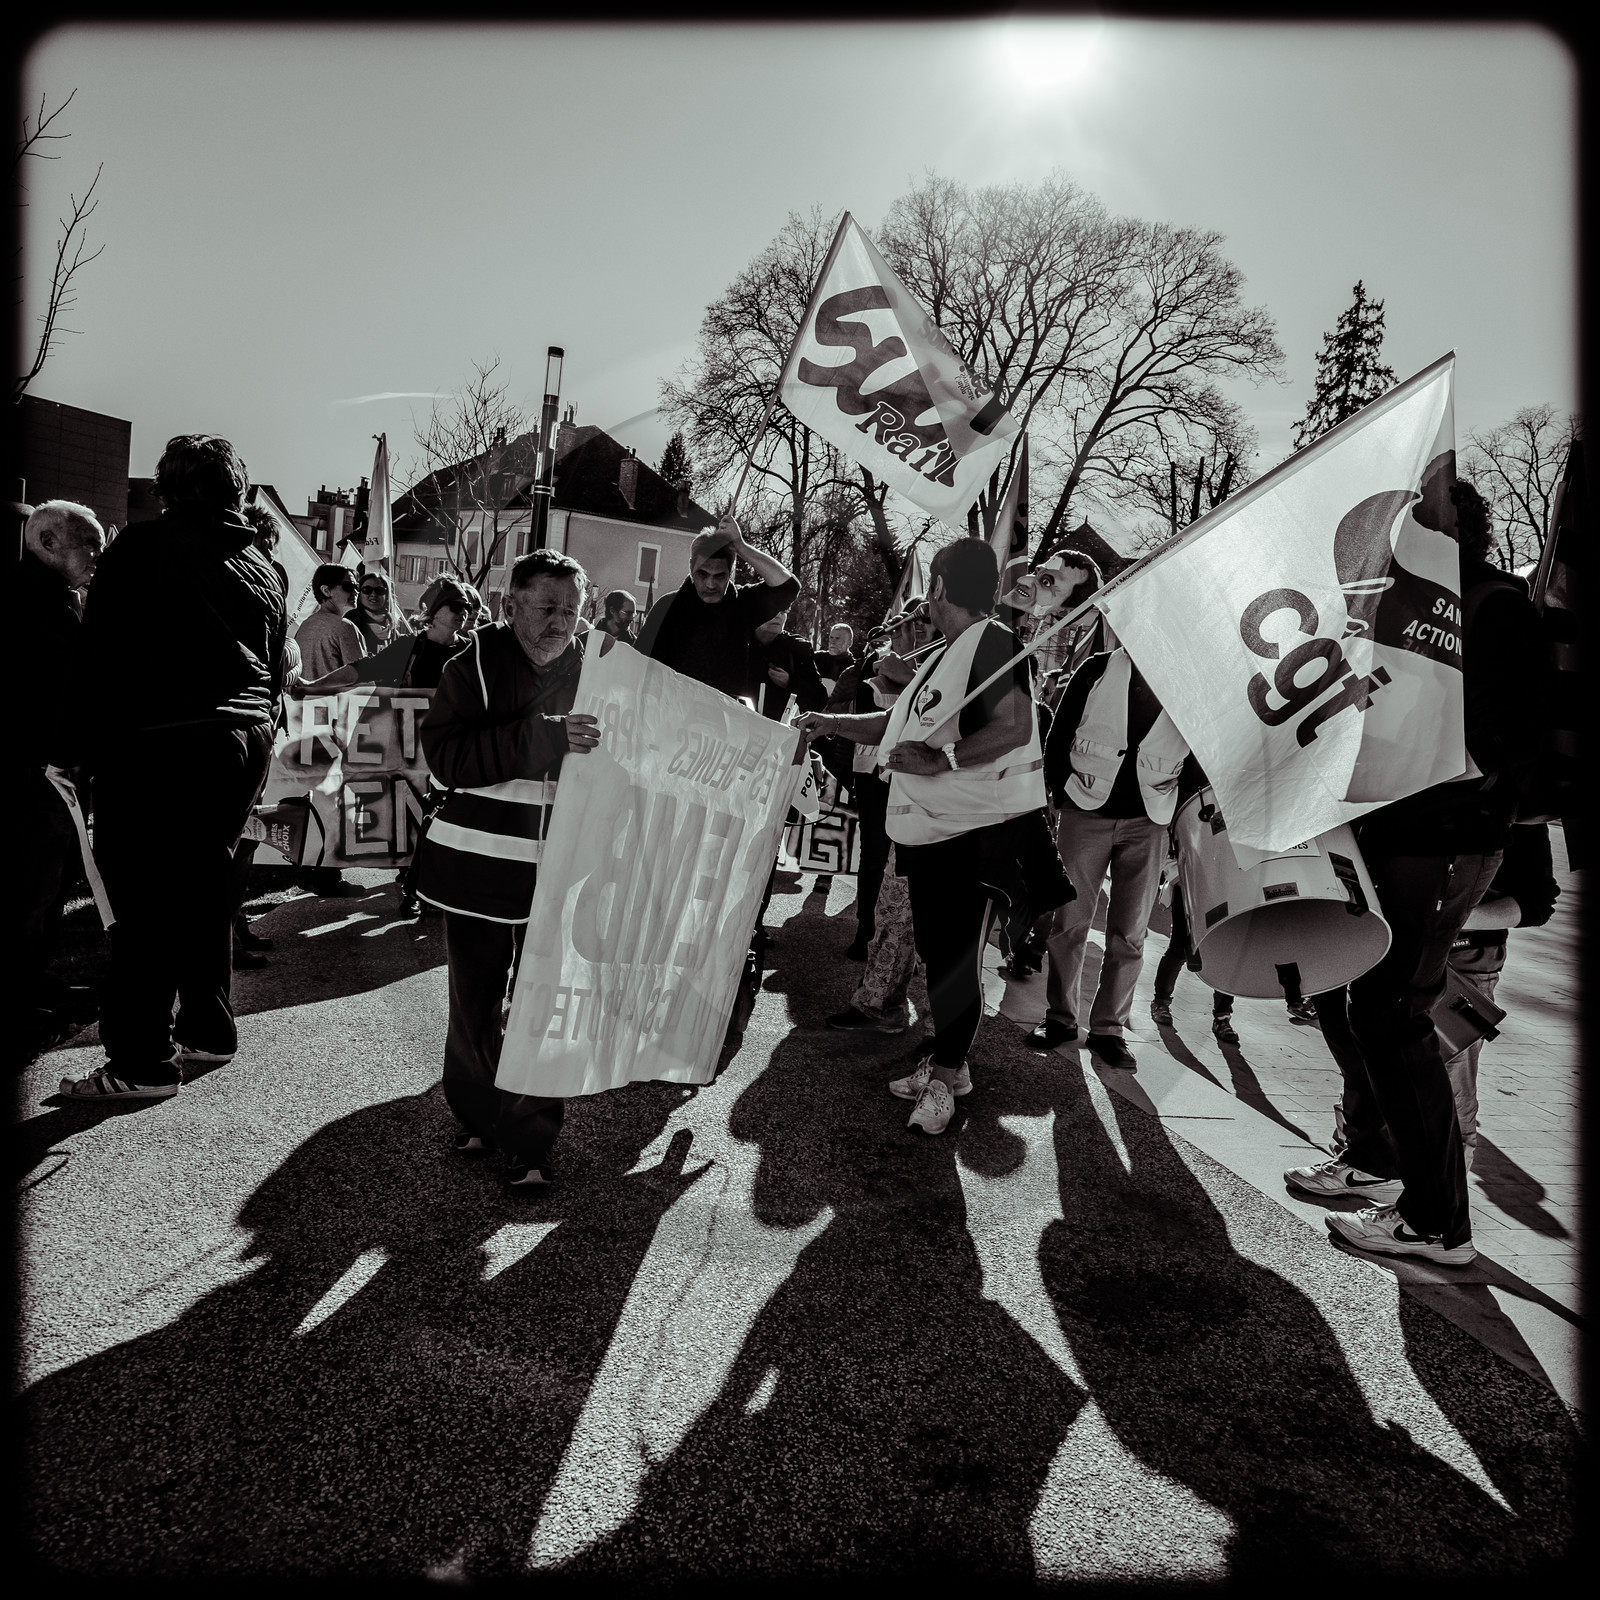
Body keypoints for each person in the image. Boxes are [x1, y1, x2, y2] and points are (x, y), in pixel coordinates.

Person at [1290, 479, 1548, 1266]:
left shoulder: (1497, 604)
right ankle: (1371, 1164)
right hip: (1391, 832)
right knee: (1350, 996)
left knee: (1393, 1015)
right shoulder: (1393, 613)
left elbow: (1510, 739)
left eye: (1402, 534)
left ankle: (1439, 1224)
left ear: (1438, 532)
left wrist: (1422, 769)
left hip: (1444, 836)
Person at [58, 435, 285, 1099]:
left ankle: (139, 1061)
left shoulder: (143, 547)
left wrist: (70, 747)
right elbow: (273, 669)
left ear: (168, 488)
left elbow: (96, 655)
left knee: (144, 901)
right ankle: (209, 1031)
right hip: (242, 739)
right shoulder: (263, 563)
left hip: (163, 739)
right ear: (236, 492)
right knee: (204, 891)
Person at [799, 539, 1045, 1136]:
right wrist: (827, 722)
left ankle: (945, 1081)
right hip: (933, 838)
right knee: (942, 961)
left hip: (971, 835)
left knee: (956, 964)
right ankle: (950, 1069)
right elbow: (895, 724)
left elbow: (1013, 726)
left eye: (927, 589)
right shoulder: (948, 651)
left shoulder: (991, 641)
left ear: (937, 585)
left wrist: (944, 761)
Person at [412, 548, 601, 1197]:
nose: (560, 623)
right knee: (474, 1002)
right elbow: (445, 759)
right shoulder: (473, 665)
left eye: (572, 611)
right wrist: (547, 738)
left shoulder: (598, 670)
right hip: (477, 868)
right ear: (511, 604)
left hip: (560, 872)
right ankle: (476, 1114)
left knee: (543, 1007)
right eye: (547, 608)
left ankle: (530, 1139)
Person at [1029, 625, 1189, 1070]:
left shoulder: (1190, 684)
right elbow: (1058, 735)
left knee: (1130, 933)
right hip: (1084, 811)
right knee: (1070, 922)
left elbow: (1197, 757)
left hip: (1151, 819)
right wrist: (1061, 794)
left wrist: (1177, 820)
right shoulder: (1097, 669)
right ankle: (1060, 1018)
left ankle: (1108, 1030)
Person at [15, 500, 105, 1061]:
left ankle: (35, 984)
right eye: (89, 546)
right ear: (49, 544)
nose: (98, 558)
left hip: (53, 776)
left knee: (46, 893)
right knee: (28, 892)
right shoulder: (24, 604)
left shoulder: (57, 602)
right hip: (31, 777)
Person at [634, 514, 799, 701]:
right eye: (702, 574)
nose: (710, 584)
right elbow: (635, 666)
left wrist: (741, 546)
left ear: (731, 572)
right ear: (690, 567)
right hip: (668, 716)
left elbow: (788, 588)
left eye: (719, 576)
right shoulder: (666, 607)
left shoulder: (742, 605)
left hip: (721, 722)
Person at [298, 575, 470, 693]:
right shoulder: (410, 646)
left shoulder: (472, 650)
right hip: (413, 740)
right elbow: (362, 670)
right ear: (435, 610)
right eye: (456, 606)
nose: (464, 612)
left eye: (467, 607)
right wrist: (314, 685)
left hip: (455, 742)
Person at [749, 607, 829, 723]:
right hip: (734, 731)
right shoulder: (735, 644)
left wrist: (790, 683)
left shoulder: (797, 648)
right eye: (773, 609)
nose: (778, 616)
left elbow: (818, 701)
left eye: (783, 611)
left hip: (779, 734)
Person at [294, 564, 366, 679]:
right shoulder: (344, 626)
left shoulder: (305, 625)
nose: (355, 592)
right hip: (334, 697)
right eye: (348, 586)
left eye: (357, 586)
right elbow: (361, 679)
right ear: (326, 590)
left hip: (305, 697)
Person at [348, 568, 411, 655]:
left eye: (379, 591)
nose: (373, 594)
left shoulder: (392, 630)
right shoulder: (350, 625)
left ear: (387, 596)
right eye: (367, 590)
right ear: (359, 594)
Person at [813, 622, 856, 692]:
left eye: (837, 638)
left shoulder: (853, 669)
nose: (832, 642)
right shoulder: (816, 658)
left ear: (849, 643)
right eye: (831, 637)